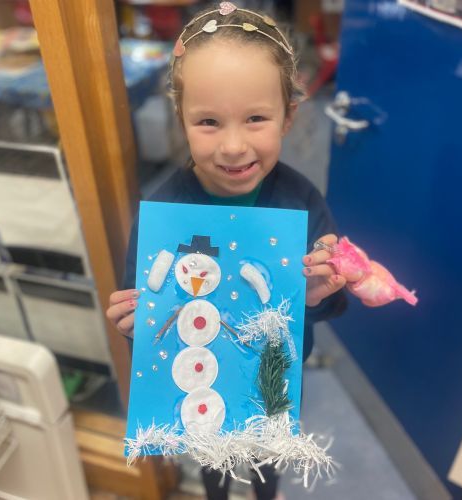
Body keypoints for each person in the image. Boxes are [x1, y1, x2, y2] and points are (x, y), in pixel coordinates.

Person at [106, 3, 347, 499]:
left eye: (256, 118)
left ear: (288, 116)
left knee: (265, 455)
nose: (234, 146)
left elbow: (331, 305)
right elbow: (149, 313)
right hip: (199, 374)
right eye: (209, 122)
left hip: (272, 378)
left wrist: (318, 294)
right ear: (181, 118)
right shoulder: (164, 214)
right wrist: (135, 324)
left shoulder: (301, 203)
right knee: (211, 458)